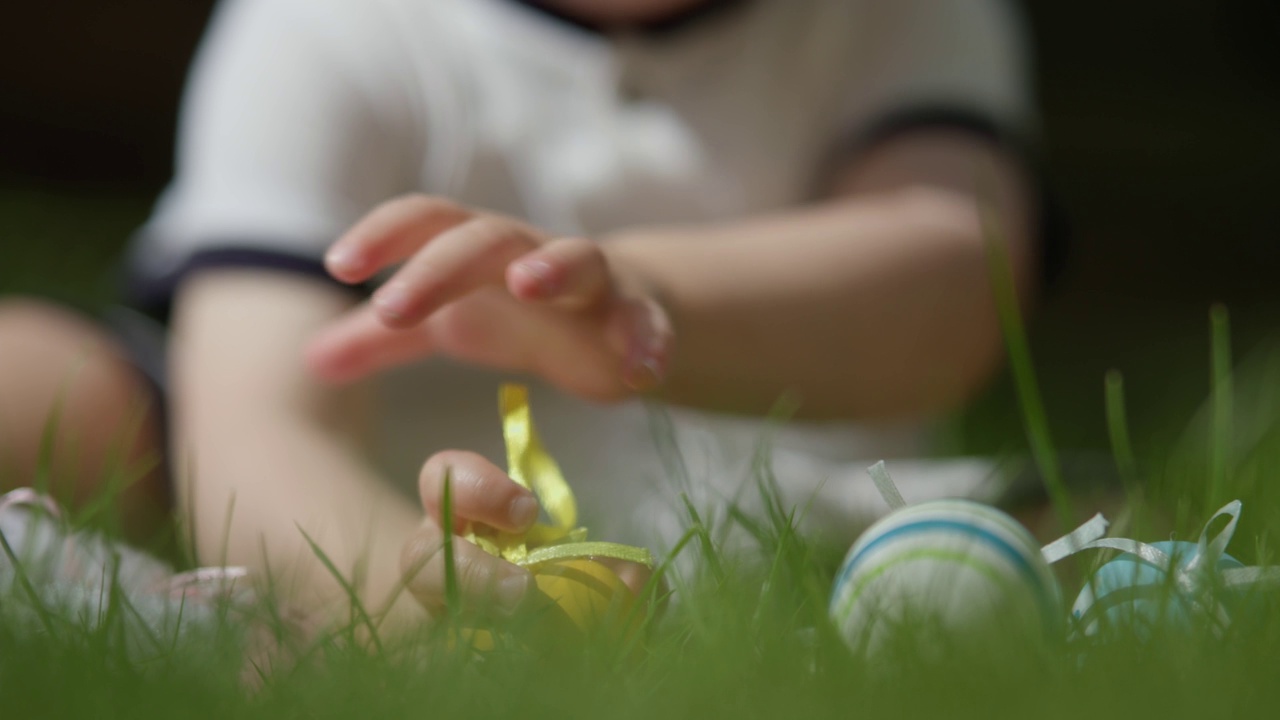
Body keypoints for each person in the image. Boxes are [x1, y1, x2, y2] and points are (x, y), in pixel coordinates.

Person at [0, 0, 1047, 632]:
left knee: (1078, 525)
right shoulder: (332, 24)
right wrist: (398, 610)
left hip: (769, 486)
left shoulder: (890, 16)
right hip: (348, 484)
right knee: (38, 378)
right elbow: (255, 420)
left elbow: (956, 280)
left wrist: (650, 303)